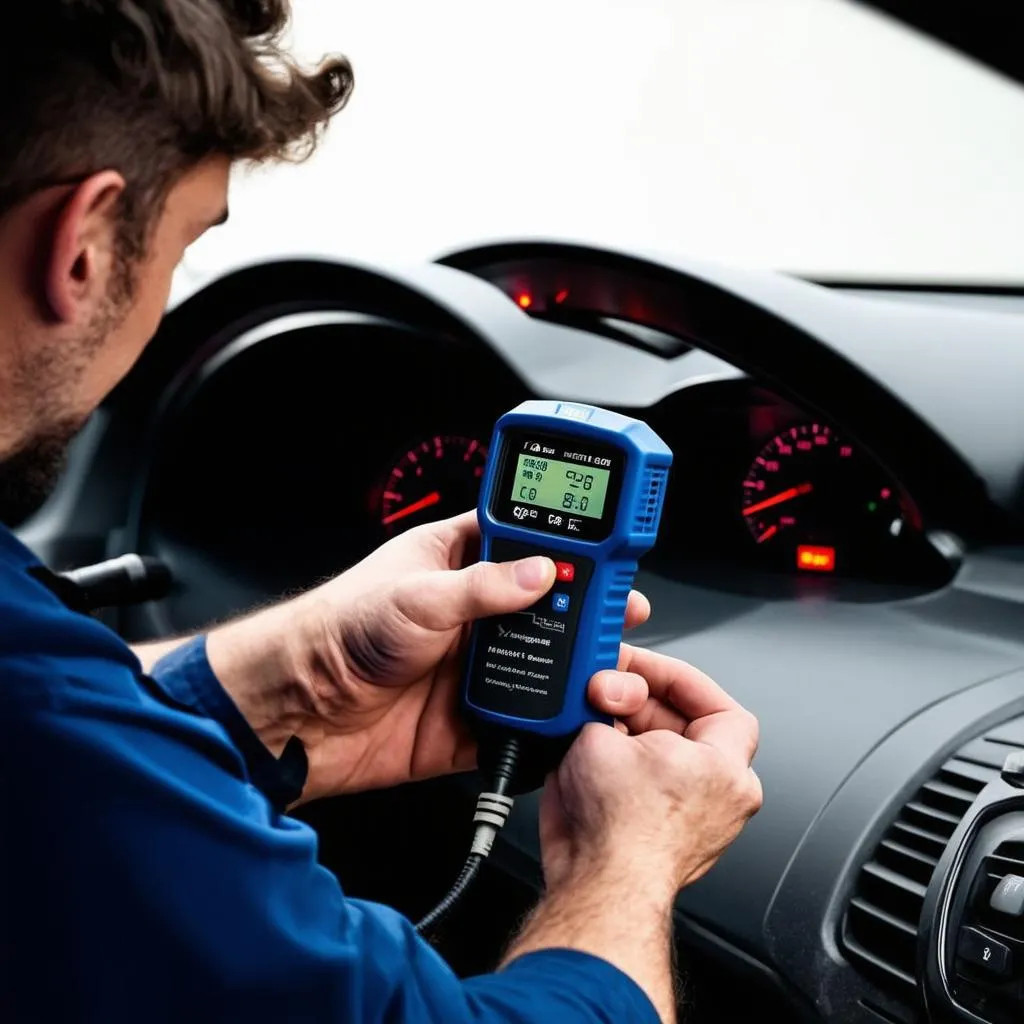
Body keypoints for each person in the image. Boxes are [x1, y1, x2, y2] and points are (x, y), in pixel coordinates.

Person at [0, 3, 762, 1022]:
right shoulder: (38, 716)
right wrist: (623, 864)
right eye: (185, 249)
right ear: (84, 244)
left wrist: (281, 686)